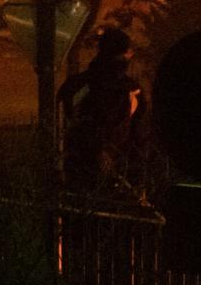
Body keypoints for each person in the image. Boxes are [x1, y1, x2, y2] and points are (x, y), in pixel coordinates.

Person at [58, 27, 149, 194]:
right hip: (117, 182)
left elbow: (63, 128)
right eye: (129, 52)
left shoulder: (76, 85)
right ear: (125, 54)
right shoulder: (131, 90)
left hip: (76, 178)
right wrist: (139, 183)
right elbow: (139, 139)